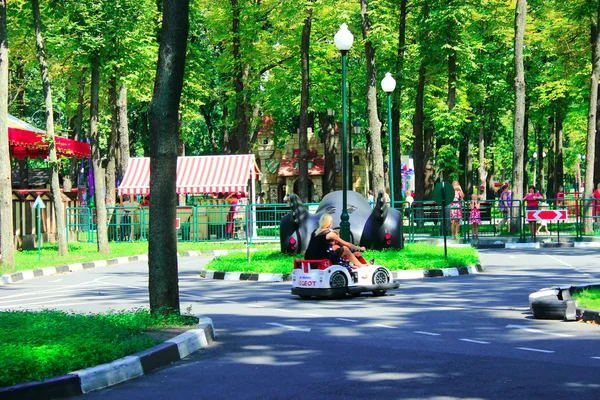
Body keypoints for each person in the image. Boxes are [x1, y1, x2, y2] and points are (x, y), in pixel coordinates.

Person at [304, 214, 371, 270]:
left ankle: (350, 265)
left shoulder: (315, 232)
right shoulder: (329, 234)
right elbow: (347, 244)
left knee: (339, 251)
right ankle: (361, 266)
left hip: (310, 258)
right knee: (345, 249)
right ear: (330, 222)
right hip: (323, 258)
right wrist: (360, 248)